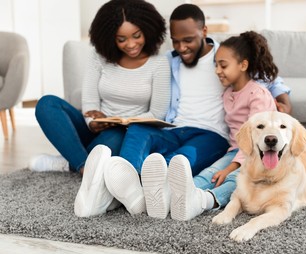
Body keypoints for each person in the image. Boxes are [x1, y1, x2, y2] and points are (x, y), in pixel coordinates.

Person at [76, 4, 291, 219]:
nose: (181, 47)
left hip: (210, 135)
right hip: (173, 129)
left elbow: (262, 74)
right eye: (176, 41)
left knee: (175, 162)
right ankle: (123, 183)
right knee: (138, 129)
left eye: (188, 40)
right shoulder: (170, 61)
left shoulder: (225, 57)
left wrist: (282, 98)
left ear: (204, 32)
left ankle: (126, 192)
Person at [28, 0, 170, 177]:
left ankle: (70, 161)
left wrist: (123, 121)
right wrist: (93, 123)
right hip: (96, 129)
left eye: (137, 35)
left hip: (127, 133)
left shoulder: (159, 63)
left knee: (115, 141)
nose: (131, 44)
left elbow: (157, 114)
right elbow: (90, 102)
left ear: (148, 30)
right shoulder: (100, 57)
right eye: (121, 39)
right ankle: (85, 167)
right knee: (46, 104)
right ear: (110, 37)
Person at [166, 31, 278, 221]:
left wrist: (230, 168)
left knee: (236, 179)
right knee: (209, 174)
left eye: (223, 65)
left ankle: (205, 200)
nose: (217, 70)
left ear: (243, 65)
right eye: (216, 65)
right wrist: (228, 164)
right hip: (235, 151)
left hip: (260, 154)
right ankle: (170, 196)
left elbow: (255, 138)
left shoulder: (257, 95)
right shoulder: (228, 93)